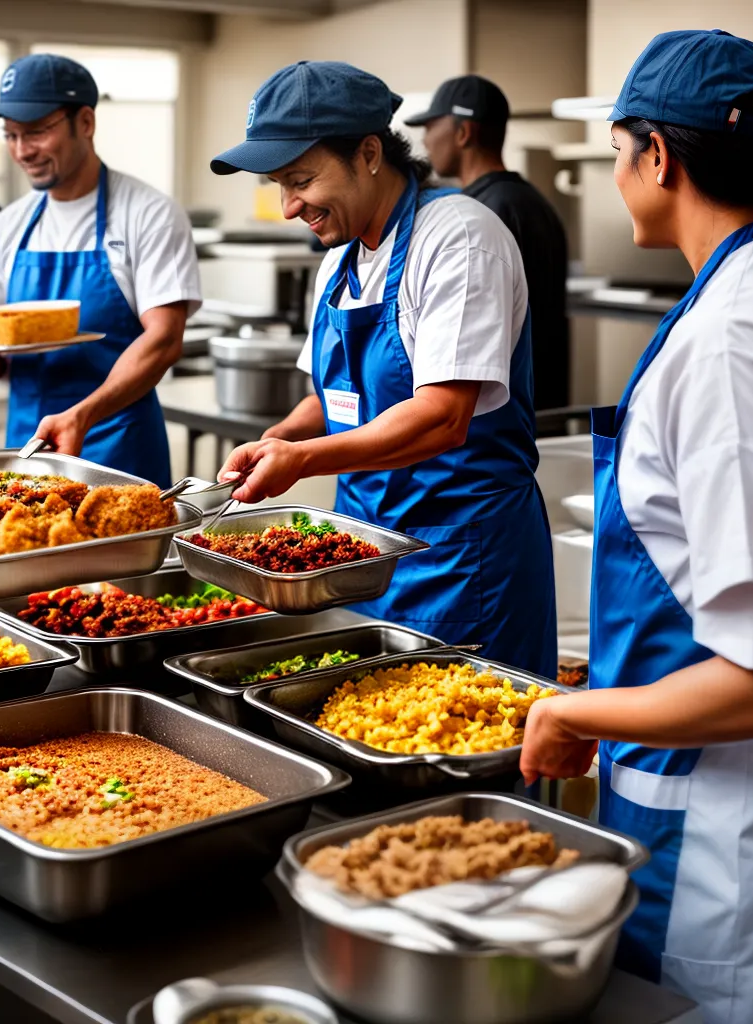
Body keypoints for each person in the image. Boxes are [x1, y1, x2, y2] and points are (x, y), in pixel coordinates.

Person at [519, 30, 753, 1023]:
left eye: (617, 150)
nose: (616, 172)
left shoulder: (734, 342)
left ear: (659, 157)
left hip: (726, 852)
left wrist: (575, 715)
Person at [210, 61, 556, 674]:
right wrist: (277, 439)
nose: (289, 207)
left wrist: (303, 460)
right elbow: (334, 399)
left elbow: (443, 417)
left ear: (369, 153)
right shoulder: (338, 261)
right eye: (278, 186)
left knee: (465, 729)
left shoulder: (458, 238)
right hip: (364, 554)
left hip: (456, 557)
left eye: (301, 180)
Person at [0, 54, 201, 486]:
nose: (22, 150)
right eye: (11, 135)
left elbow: (163, 340)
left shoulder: (149, 213)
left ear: (85, 122)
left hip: (117, 448)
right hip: (27, 448)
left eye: (36, 132)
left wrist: (83, 414)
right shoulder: (9, 224)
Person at [405, 75, 569, 410]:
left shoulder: (476, 219)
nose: (425, 140)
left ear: (463, 133)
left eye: (431, 127)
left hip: (501, 413)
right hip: (541, 401)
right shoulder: (531, 201)